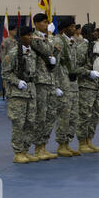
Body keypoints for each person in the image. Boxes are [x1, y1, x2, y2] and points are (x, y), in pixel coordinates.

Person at [1, 26, 39, 163]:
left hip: (31, 92)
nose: (31, 37)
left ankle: (25, 150)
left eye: (31, 35)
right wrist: (17, 82)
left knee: (30, 123)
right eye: (28, 35)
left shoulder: (32, 53)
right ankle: (18, 153)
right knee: (19, 123)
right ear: (21, 37)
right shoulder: (12, 53)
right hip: (18, 94)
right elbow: (5, 73)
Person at [31, 13, 60, 160]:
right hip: (40, 81)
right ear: (36, 23)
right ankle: (38, 148)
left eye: (46, 23)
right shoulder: (34, 37)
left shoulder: (45, 38)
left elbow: (56, 49)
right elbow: (48, 50)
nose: (45, 24)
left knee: (50, 115)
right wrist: (49, 34)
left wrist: (49, 37)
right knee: (41, 115)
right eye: (43, 22)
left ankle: (44, 146)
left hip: (50, 79)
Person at [54, 17, 81, 157]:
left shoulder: (72, 42)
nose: (74, 29)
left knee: (73, 116)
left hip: (73, 83)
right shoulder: (58, 41)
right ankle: (61, 144)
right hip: (63, 84)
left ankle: (68, 143)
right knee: (64, 115)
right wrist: (56, 86)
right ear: (64, 28)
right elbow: (55, 65)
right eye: (71, 26)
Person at [76, 22, 99, 154]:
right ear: (87, 33)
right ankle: (82, 143)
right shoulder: (81, 47)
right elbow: (75, 67)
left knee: (94, 115)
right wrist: (88, 73)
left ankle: (89, 140)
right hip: (85, 86)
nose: (96, 33)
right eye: (94, 31)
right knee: (84, 115)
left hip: (95, 86)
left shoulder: (94, 47)